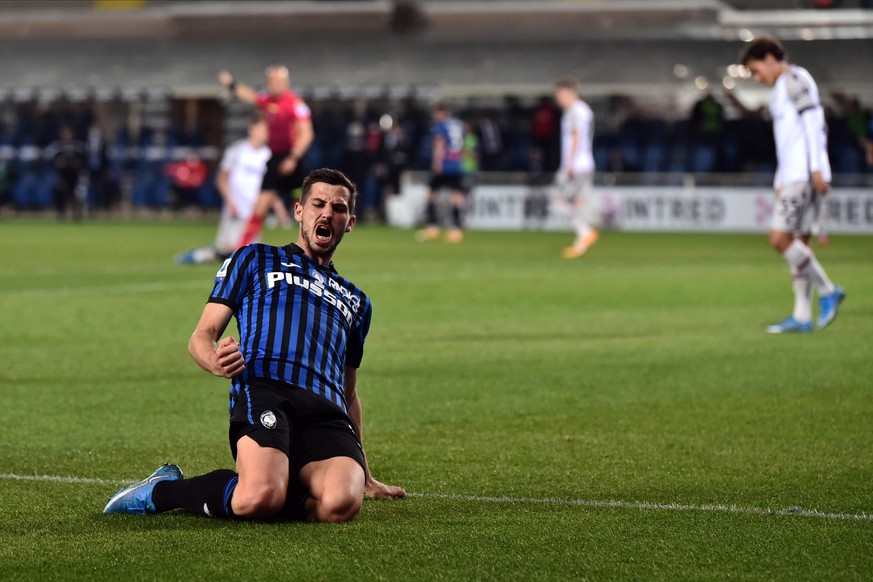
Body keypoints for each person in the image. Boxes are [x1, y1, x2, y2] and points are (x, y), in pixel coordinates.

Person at [104, 168, 406, 522]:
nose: (327, 213)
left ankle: (281, 481)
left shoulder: (358, 301)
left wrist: (366, 476)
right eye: (318, 204)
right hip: (266, 389)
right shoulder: (254, 258)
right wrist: (216, 361)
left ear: (350, 222)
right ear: (299, 211)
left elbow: (349, 392)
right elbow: (202, 336)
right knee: (258, 498)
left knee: (342, 504)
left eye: (338, 208)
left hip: (326, 408)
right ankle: (163, 490)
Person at [741, 36, 845, 333]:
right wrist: (779, 178)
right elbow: (787, 141)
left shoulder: (795, 79)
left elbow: (813, 121)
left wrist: (815, 167)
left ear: (770, 59)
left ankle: (828, 291)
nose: (758, 78)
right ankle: (801, 317)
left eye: (756, 70)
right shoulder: (779, 90)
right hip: (792, 173)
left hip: (802, 174)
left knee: (779, 239)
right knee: (798, 243)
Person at [218, 65, 315, 247]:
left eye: (278, 81)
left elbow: (307, 134)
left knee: (302, 206)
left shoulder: (295, 104)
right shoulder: (268, 101)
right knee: (260, 206)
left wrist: (293, 158)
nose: (274, 85)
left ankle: (312, 246)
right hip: (276, 158)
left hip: (294, 159)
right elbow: (250, 96)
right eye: (271, 81)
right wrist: (232, 85)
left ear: (286, 83)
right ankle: (242, 249)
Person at [175, 113, 273, 265]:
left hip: (253, 211)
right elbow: (221, 178)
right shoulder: (237, 150)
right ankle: (198, 256)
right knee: (229, 251)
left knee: (250, 255)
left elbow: (269, 187)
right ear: (251, 129)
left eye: (267, 130)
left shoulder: (268, 155)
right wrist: (230, 201)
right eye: (261, 129)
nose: (264, 133)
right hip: (235, 209)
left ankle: (203, 255)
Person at [553, 78, 598, 259]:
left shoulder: (574, 110)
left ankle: (585, 232)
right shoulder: (584, 110)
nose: (558, 99)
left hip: (575, 166)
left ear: (567, 94)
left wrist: (570, 162)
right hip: (585, 164)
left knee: (558, 202)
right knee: (578, 203)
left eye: (559, 95)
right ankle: (581, 244)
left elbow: (576, 135)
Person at [418, 103, 467, 243]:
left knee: (431, 195)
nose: (434, 117)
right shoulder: (458, 125)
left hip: (444, 165)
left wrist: (437, 163)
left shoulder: (440, 126)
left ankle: (432, 228)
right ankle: (456, 231)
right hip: (457, 165)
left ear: (441, 113)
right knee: (456, 197)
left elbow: (439, 144)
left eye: (435, 114)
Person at [46, 125, 87, 221]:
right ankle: (61, 213)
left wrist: (77, 164)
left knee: (76, 194)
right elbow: (50, 161)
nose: (67, 136)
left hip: (75, 175)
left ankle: (76, 214)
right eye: (65, 134)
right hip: (62, 175)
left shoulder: (79, 146)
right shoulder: (56, 147)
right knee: (60, 192)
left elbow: (84, 160)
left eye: (69, 133)